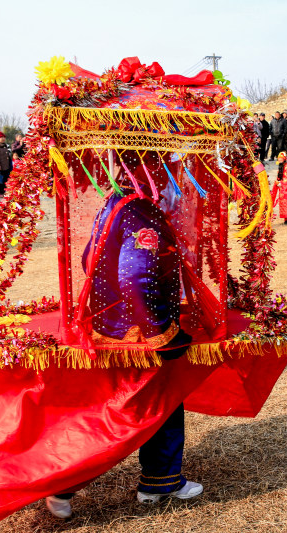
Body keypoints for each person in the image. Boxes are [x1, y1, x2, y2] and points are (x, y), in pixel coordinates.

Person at [46, 176, 202, 518]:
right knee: (124, 414)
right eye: (163, 170)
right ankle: (62, 484)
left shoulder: (115, 203)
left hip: (116, 327)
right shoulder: (139, 211)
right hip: (138, 334)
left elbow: (90, 259)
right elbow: (134, 276)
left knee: (161, 402)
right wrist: (162, 332)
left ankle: (161, 480)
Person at [273, 152, 287, 223]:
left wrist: (281, 183)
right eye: (279, 158)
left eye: (281, 158)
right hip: (281, 188)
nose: (279, 159)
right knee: (282, 203)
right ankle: (285, 218)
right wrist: (277, 182)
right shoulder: (280, 166)